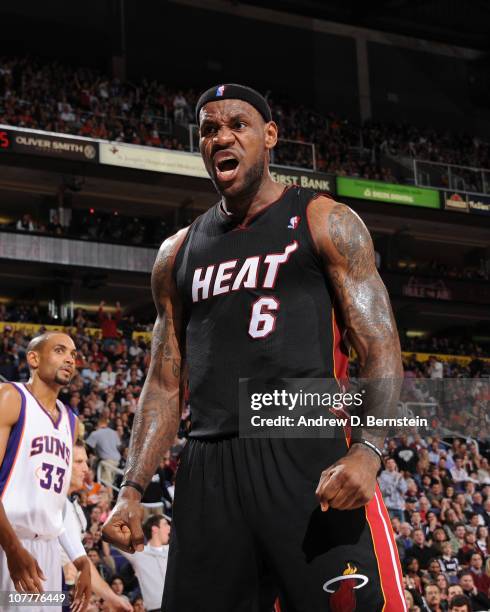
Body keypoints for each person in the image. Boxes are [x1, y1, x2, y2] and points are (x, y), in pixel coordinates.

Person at [103, 84, 406, 611]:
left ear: (269, 136)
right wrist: (131, 486)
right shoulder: (176, 253)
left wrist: (369, 449)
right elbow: (164, 380)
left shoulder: (324, 220)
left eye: (238, 125)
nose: (223, 136)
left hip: (303, 446)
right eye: (209, 129)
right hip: (209, 463)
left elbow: (379, 345)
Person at [0, 332, 90, 612]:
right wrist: (13, 549)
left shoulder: (71, 422)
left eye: (73, 354)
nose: (69, 359)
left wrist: (81, 558)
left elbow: (56, 504)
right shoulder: (11, 398)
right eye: (60, 350)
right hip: (8, 544)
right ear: (34, 358)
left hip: (49, 553)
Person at [62, 440, 132, 612]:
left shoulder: (75, 507)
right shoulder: (50, 504)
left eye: (86, 462)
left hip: (61, 590)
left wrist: (112, 598)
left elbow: (81, 560)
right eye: (79, 462)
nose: (86, 468)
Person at [118, 514, 170, 611]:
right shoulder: (139, 553)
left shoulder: (173, 551)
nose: (169, 528)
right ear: (155, 529)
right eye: (165, 524)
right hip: (156, 608)